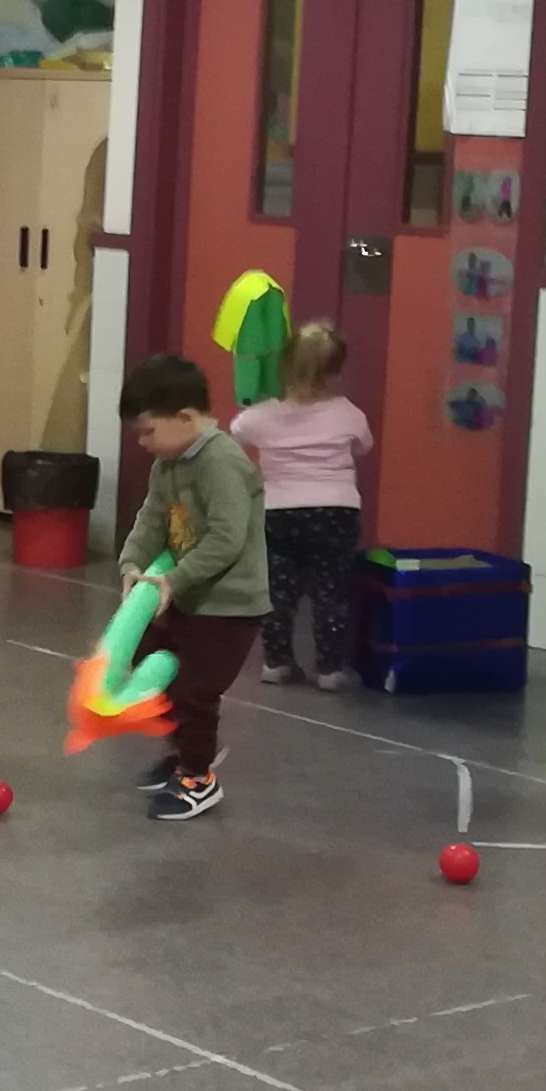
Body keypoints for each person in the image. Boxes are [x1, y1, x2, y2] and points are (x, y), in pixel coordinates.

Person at [115, 350, 269, 824]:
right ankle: (185, 753)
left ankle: (199, 779)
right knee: (152, 670)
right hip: (183, 594)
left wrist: (174, 579)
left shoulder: (221, 462)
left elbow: (227, 538)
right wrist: (132, 564)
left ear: (184, 418)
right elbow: (151, 520)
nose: (142, 442)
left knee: (194, 693)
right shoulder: (168, 464)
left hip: (228, 606)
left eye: (148, 431)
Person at [230, 317, 368, 691]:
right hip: (335, 511)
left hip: (278, 512)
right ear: (336, 372)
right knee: (330, 590)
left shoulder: (262, 417)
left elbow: (235, 432)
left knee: (278, 591)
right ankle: (330, 670)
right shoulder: (348, 414)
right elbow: (363, 445)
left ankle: (277, 663)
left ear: (284, 365)